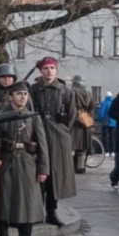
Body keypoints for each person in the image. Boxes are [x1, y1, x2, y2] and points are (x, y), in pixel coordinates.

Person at [0, 81, 49, 236]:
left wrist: (43, 168)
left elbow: (42, 144)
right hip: (6, 162)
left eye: (25, 94)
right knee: (4, 202)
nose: (22, 97)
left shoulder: (33, 117)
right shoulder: (0, 115)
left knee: (28, 202)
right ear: (10, 97)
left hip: (28, 164)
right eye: (18, 94)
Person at [29, 57, 76, 224]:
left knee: (55, 176)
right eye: (45, 68)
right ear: (40, 71)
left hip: (58, 138)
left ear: (56, 70)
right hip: (37, 134)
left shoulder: (65, 91)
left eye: (51, 68)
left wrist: (62, 131)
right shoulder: (33, 90)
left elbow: (71, 116)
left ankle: (51, 212)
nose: (49, 71)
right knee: (38, 174)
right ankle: (35, 212)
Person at [70, 74, 95, 174]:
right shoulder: (88, 93)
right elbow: (91, 107)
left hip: (73, 120)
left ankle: (71, 167)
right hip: (85, 120)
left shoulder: (71, 92)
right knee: (82, 147)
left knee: (71, 146)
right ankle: (80, 167)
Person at [99, 91, 116, 156]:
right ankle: (113, 151)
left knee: (105, 137)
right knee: (113, 137)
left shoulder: (104, 103)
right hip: (114, 122)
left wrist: (100, 120)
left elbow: (101, 114)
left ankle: (106, 151)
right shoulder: (114, 103)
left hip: (105, 122)